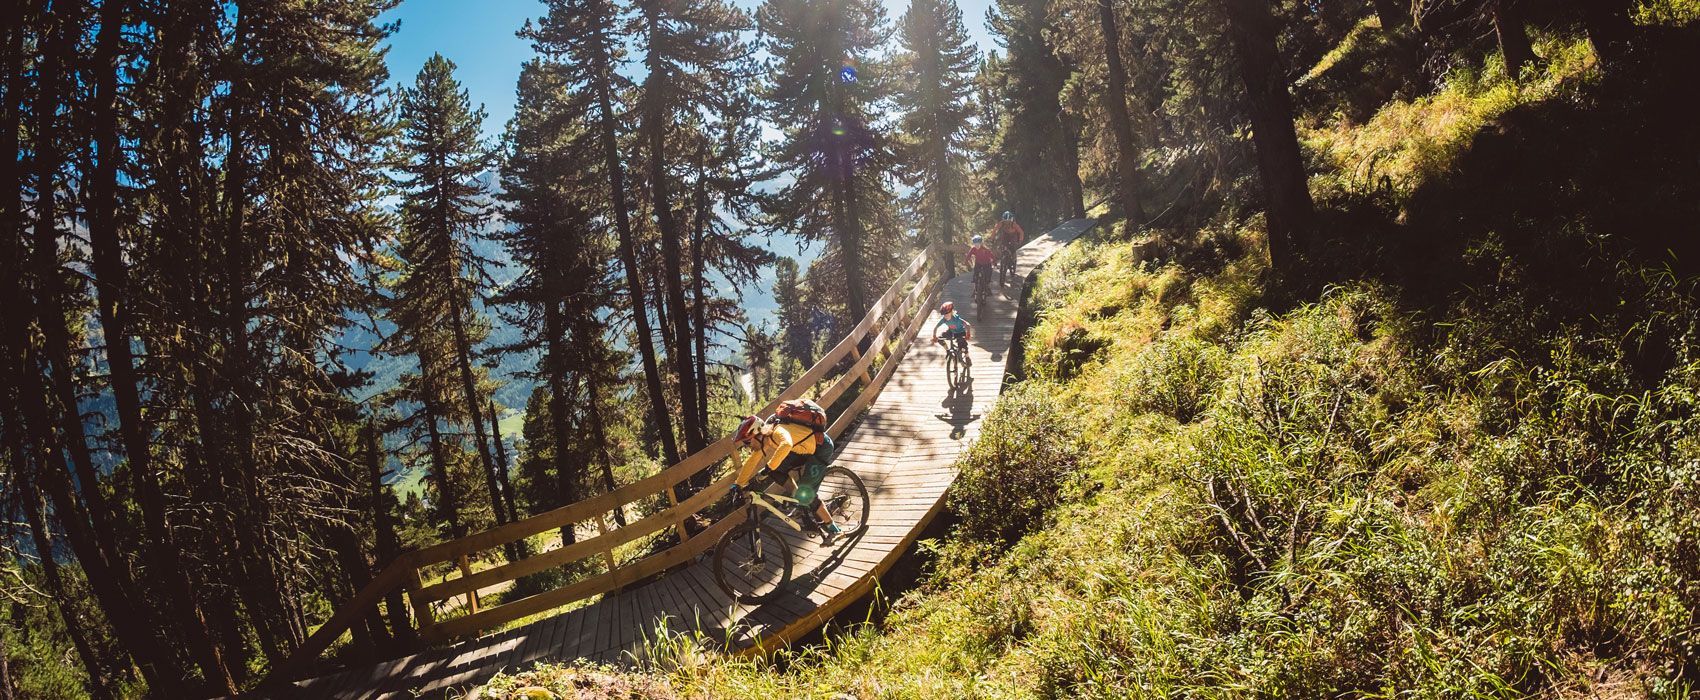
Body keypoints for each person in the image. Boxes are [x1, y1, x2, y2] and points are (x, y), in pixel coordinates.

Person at [729, 414, 856, 543]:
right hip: (803, 450)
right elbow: (751, 461)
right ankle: (800, 501)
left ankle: (833, 529)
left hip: (821, 448)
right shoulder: (765, 440)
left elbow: (786, 444)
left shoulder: (778, 430)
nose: (747, 446)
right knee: (776, 471)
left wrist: (769, 467)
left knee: (804, 492)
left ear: (757, 434)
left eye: (747, 442)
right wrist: (738, 485)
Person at [993, 212, 1025, 286]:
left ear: (1011, 221)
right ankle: (1003, 259)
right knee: (1002, 246)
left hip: (1013, 236)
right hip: (1005, 236)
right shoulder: (1001, 223)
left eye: (1008, 222)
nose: (1007, 223)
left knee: (1013, 248)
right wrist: (992, 238)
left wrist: (1020, 240)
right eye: (1005, 221)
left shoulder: (1014, 224)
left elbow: (1021, 232)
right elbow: (995, 230)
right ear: (1003, 220)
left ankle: (1013, 260)